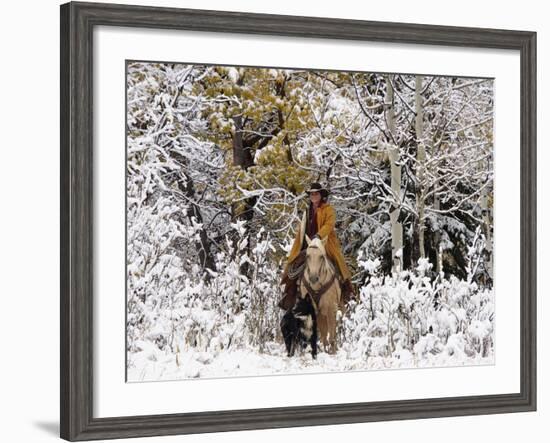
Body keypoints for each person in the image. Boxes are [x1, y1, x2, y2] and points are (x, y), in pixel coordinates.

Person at [278, 183, 356, 310]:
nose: (313, 196)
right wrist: (302, 243)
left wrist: (319, 236)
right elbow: (302, 230)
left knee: (338, 265)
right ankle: (289, 297)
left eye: (316, 193)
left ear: (321, 195)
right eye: (311, 194)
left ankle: (347, 294)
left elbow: (329, 225)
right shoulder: (307, 212)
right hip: (307, 245)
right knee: (293, 267)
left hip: (325, 244)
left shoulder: (328, 209)